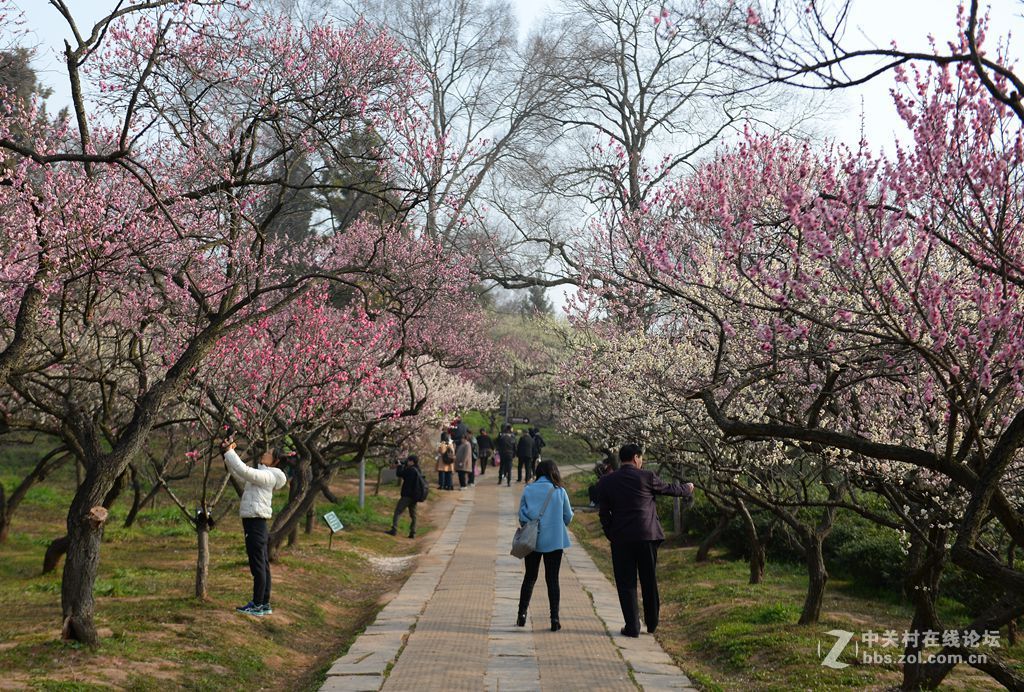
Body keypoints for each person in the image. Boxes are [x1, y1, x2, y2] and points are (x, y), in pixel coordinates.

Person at [595, 443, 694, 638]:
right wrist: (687, 488)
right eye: (641, 458)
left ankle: (632, 626)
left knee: (626, 582)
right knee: (648, 578)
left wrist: (611, 533)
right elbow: (669, 489)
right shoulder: (647, 477)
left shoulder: (607, 481)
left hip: (621, 538)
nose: (642, 461)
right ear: (635, 458)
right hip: (647, 536)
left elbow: (603, 513)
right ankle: (652, 623)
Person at [221, 438, 288, 617]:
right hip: (256, 522)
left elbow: (244, 470)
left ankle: (257, 604)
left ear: (275, 461)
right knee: (263, 564)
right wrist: (227, 455)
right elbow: (239, 474)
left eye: (269, 453)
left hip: (256, 522)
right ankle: (264, 603)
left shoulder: (268, 476)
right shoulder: (262, 475)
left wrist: (229, 452)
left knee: (257, 565)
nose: (265, 453)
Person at [516, 460, 573, 632]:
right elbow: (568, 516)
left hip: (532, 541)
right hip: (555, 541)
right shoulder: (560, 491)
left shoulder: (528, 489)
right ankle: (554, 618)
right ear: (553, 472)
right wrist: (556, 523)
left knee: (530, 577)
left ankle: (522, 614)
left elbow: (522, 516)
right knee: (552, 579)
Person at [387, 455, 425, 538]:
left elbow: (400, 474)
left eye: (408, 461)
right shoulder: (418, 470)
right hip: (415, 496)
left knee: (398, 511)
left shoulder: (411, 470)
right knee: (413, 515)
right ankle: (413, 532)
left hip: (407, 495)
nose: (407, 462)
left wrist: (400, 466)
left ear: (412, 461)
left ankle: (394, 529)